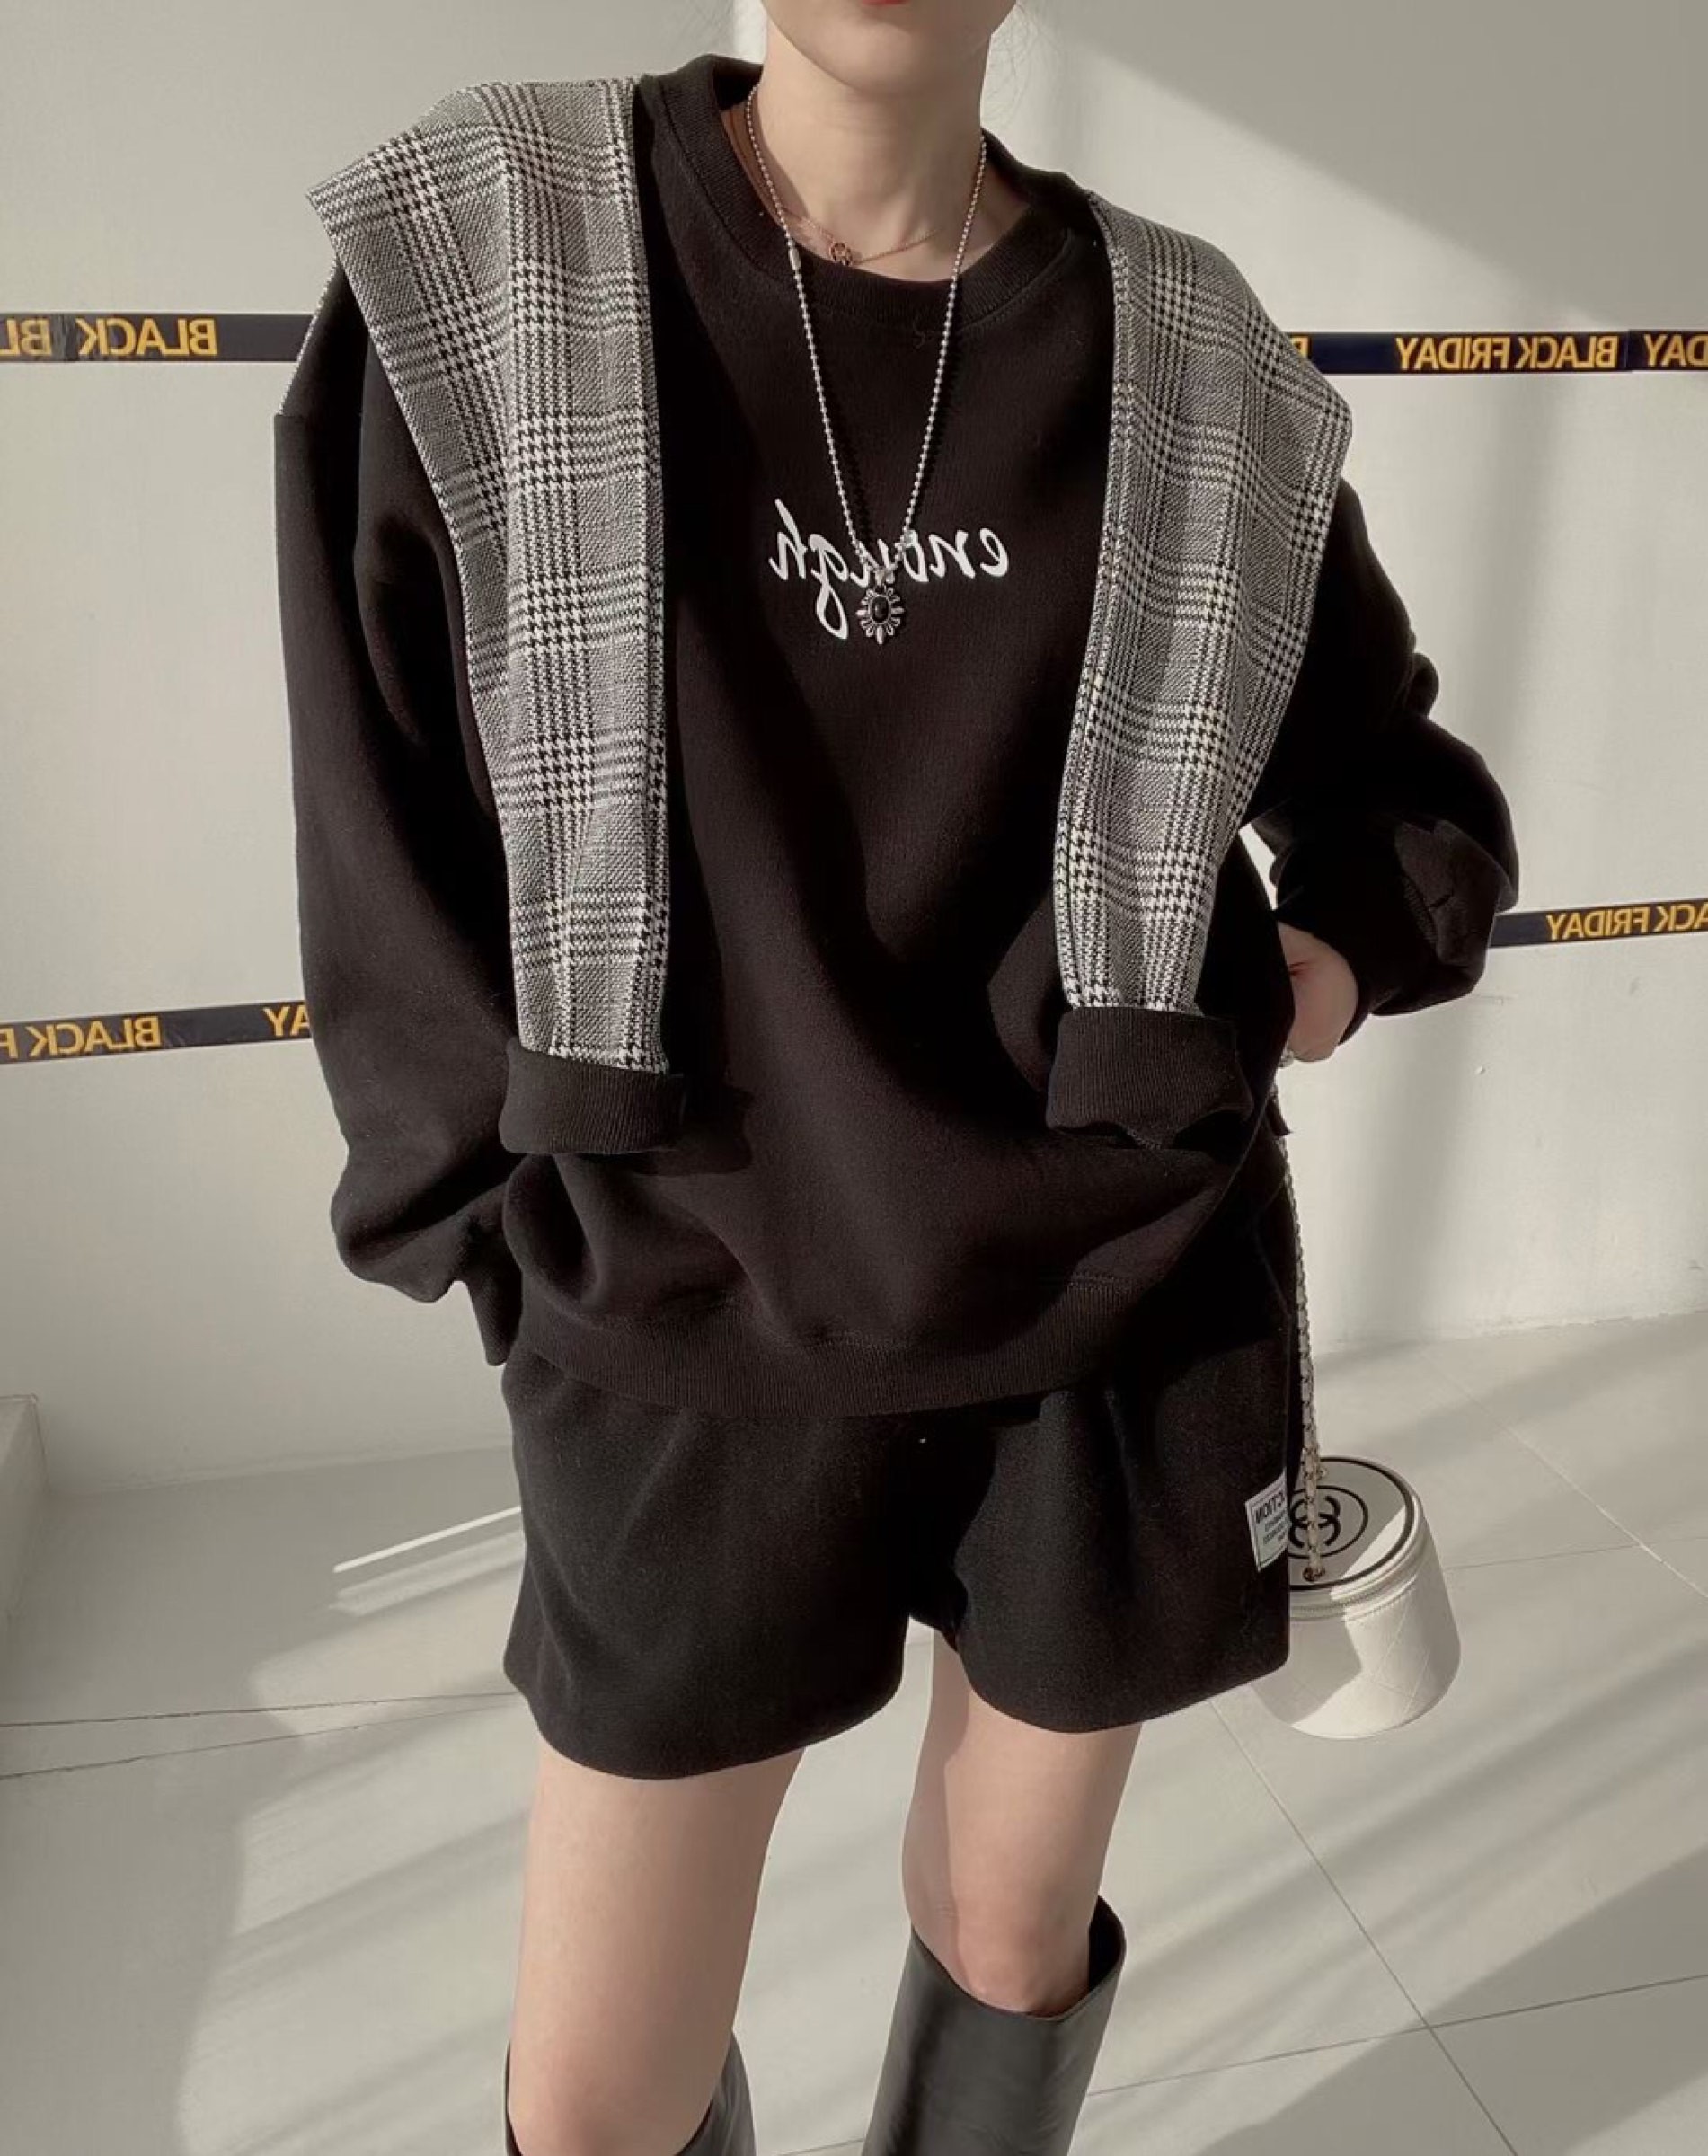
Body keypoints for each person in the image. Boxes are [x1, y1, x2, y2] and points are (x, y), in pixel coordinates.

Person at [271, 8, 1519, 2154]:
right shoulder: (495, 243)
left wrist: (1309, 978)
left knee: (1013, 1943)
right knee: (599, 2092)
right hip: (682, 1299)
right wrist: (487, 1219)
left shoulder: (1186, 345)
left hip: (1116, 1311)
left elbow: (1394, 789)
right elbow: (372, 788)